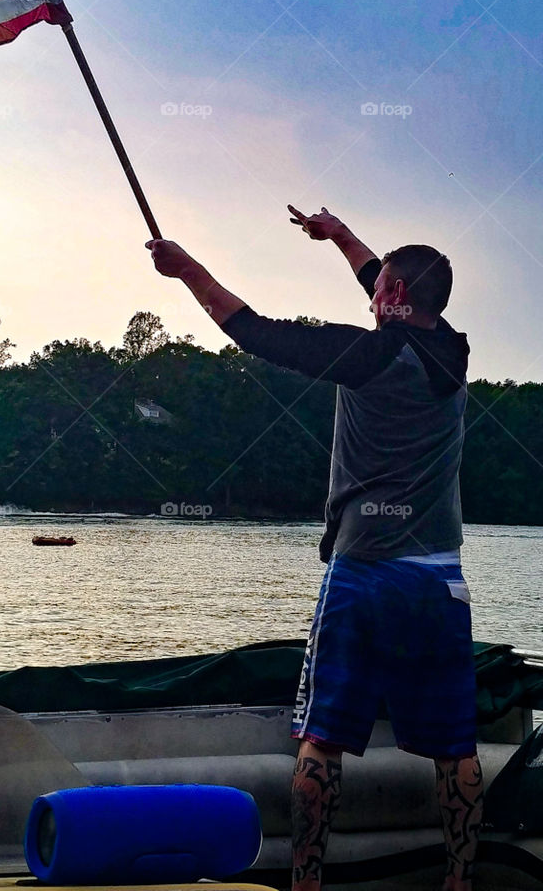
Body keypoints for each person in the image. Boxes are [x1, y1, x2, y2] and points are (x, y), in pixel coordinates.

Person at [147, 206, 483, 891]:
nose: (370, 290)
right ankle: (461, 881)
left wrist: (187, 272)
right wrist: (341, 238)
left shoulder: (367, 357)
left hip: (364, 573)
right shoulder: (451, 349)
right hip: (439, 581)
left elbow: (252, 331)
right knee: (455, 746)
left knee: (322, 739)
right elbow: (383, 281)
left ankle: (306, 881)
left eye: (379, 284)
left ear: (390, 298)